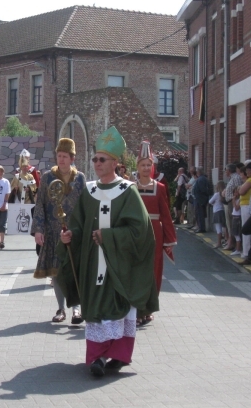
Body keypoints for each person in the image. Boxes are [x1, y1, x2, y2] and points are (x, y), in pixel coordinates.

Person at [58, 126, 157, 377]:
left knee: (118, 309)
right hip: (94, 264)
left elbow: (140, 231)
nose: (97, 163)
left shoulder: (128, 191)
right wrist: (71, 236)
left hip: (119, 266)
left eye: (102, 159)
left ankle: (120, 355)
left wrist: (109, 236)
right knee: (96, 308)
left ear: (115, 162)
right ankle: (97, 357)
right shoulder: (89, 192)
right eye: (95, 159)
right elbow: (79, 224)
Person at [32, 138, 85, 324]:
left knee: (75, 270)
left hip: (74, 233)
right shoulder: (47, 178)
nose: (61, 159)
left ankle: (77, 310)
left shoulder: (80, 179)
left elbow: (85, 206)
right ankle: (61, 309)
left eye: (65, 156)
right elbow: (40, 205)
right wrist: (38, 229)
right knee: (56, 272)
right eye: (59, 156)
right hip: (53, 232)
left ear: (72, 158)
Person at [134, 140, 176, 326]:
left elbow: (165, 215)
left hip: (155, 235)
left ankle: (148, 308)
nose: (145, 168)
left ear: (152, 166)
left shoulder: (159, 188)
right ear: (137, 166)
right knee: (136, 271)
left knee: (154, 271)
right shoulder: (130, 187)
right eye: (142, 165)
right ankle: (136, 309)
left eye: (148, 165)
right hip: (135, 233)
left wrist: (169, 239)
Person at [238, 162, 251, 258]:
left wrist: (240, 188)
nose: (247, 172)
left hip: (247, 206)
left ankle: (246, 252)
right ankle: (248, 251)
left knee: (246, 229)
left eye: (248, 171)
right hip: (247, 205)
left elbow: (241, 191)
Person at [222, 163, 244, 250]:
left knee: (233, 223)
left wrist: (234, 199)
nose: (225, 172)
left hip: (233, 202)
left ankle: (233, 243)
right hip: (229, 202)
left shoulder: (236, 178)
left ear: (229, 170)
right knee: (229, 223)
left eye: (226, 170)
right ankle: (231, 242)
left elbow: (238, 190)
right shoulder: (232, 178)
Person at [193, 167, 212, 233]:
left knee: (199, 214)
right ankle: (200, 227)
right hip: (200, 199)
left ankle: (201, 228)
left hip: (200, 199)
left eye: (197, 172)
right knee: (199, 213)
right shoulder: (202, 178)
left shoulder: (201, 179)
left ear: (199, 172)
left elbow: (203, 189)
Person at [209, 181, 227, 248]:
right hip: (222, 211)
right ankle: (225, 240)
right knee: (224, 227)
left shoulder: (216, 194)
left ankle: (219, 243)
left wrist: (214, 203)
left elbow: (210, 201)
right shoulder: (223, 194)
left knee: (218, 228)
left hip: (216, 212)